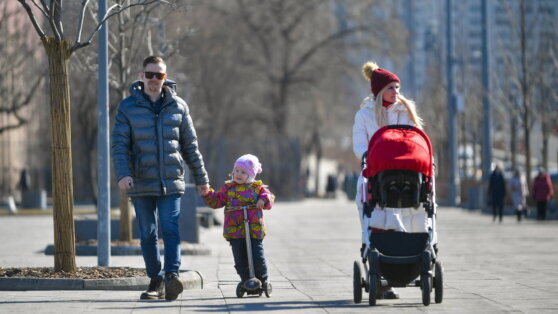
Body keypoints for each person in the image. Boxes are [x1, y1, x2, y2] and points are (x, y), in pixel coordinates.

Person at [111, 56, 210, 301]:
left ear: (165, 77)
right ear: (141, 75)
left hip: (171, 181)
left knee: (171, 228)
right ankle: (155, 279)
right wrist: (123, 174)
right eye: (150, 74)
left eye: (160, 75)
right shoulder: (127, 107)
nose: (155, 79)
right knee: (147, 232)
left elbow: (191, 147)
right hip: (141, 182)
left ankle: (171, 276)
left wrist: (202, 179)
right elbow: (119, 145)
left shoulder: (179, 106)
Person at [352, 61, 423, 299]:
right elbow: (360, 145)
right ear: (380, 91)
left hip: (405, 176)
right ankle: (381, 276)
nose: (397, 93)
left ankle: (407, 264)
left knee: (407, 216)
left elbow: (414, 142)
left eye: (398, 87)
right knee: (374, 220)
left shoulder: (405, 112)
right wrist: (372, 158)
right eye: (392, 88)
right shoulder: (365, 115)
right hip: (374, 175)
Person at [201, 154, 275, 290]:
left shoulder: (257, 188)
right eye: (236, 170)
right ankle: (246, 280)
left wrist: (263, 200)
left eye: (243, 172)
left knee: (257, 256)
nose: (238, 174)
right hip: (235, 230)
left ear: (251, 175)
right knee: (239, 258)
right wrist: (207, 194)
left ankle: (262, 279)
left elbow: (269, 196)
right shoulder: (228, 189)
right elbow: (217, 200)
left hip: (253, 229)